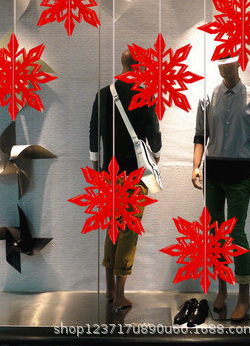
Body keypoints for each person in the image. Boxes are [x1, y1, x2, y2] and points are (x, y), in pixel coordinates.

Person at [192, 55, 250, 321]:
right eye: (220, 62)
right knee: (214, 234)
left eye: (229, 61)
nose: (224, 66)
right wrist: (196, 166)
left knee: (236, 232)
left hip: (238, 175)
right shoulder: (207, 98)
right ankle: (222, 290)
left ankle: (244, 297)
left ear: (239, 64)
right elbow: (200, 135)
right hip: (213, 174)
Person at [89, 49, 162, 309]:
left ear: (122, 64)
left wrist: (96, 163)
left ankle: (109, 288)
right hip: (135, 174)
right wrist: (156, 155)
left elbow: (93, 131)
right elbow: (154, 133)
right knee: (129, 231)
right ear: (139, 66)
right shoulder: (145, 95)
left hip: (109, 174)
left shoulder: (103, 94)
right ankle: (120, 294)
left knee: (113, 227)